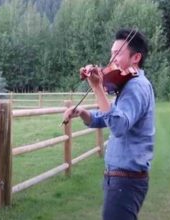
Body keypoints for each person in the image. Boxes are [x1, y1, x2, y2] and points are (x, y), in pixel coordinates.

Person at [63, 28, 155, 220]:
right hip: (121, 178)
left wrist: (97, 88)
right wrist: (83, 113)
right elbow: (106, 116)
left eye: (117, 53)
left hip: (126, 179)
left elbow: (118, 126)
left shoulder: (136, 86)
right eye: (111, 53)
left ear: (136, 57)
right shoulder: (128, 84)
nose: (110, 60)